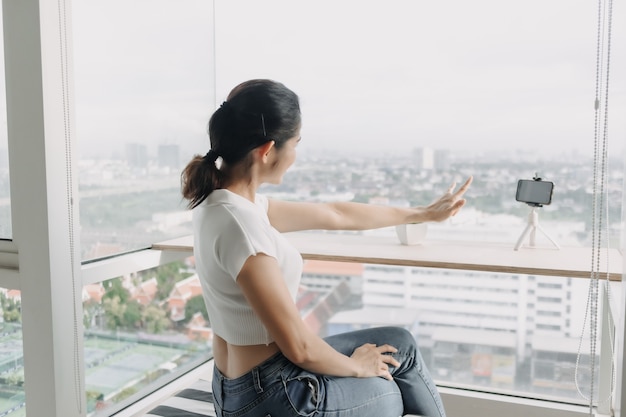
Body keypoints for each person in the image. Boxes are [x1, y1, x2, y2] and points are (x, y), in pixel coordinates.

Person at [181, 79, 472, 417]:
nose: (295, 155)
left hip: (243, 383)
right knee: (388, 389)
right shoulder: (243, 226)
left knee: (399, 344)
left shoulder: (225, 204)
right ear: (267, 150)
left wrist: (422, 213)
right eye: (296, 143)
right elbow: (300, 347)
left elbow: (335, 213)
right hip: (272, 396)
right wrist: (358, 367)